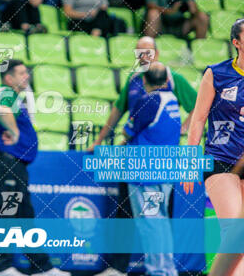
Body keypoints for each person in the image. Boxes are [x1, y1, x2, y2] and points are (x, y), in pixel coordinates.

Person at [89, 36, 197, 276]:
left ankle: (159, 270)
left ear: (156, 53)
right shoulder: (141, 84)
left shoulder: (168, 84)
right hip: (156, 165)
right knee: (145, 219)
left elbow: (199, 106)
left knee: (151, 222)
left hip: (145, 168)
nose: (144, 57)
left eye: (147, 52)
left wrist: (186, 129)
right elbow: (118, 110)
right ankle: (155, 268)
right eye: (140, 53)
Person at [0, 59, 70, 276]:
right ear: (9, 78)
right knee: (8, 212)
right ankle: (1, 267)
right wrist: (15, 132)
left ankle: (42, 267)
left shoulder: (12, 95)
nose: (26, 76)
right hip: (7, 163)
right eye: (21, 73)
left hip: (14, 164)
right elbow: (2, 110)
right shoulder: (6, 92)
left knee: (24, 216)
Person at [182, 19, 244, 276]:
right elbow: (197, 119)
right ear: (236, 43)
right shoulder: (217, 73)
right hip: (221, 159)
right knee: (234, 232)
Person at [123, 62, 180, 276]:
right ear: (167, 80)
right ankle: (167, 269)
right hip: (166, 171)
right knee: (161, 222)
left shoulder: (148, 101)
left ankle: (157, 271)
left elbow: (128, 131)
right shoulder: (173, 100)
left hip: (146, 173)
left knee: (151, 223)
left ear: (144, 81)